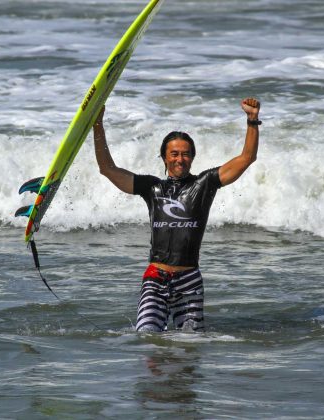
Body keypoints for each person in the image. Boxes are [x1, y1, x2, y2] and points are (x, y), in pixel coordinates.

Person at [92, 98, 261, 332]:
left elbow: (246, 158)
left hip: (189, 281)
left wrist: (252, 120)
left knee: (188, 352)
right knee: (147, 340)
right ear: (164, 157)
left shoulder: (204, 184)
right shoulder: (151, 188)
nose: (180, 159)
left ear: (192, 157)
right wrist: (97, 124)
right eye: (174, 154)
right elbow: (108, 169)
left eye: (185, 154)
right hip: (155, 279)